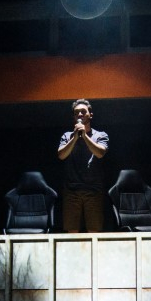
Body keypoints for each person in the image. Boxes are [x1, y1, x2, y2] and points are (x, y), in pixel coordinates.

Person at [56, 98, 109, 233]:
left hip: (93, 190)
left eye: (83, 112)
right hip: (72, 191)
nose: (79, 115)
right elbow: (61, 155)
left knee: (94, 232)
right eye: (76, 113)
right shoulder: (67, 136)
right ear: (74, 117)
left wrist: (84, 136)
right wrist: (75, 137)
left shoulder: (100, 135)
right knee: (72, 233)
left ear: (90, 114)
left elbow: (100, 153)